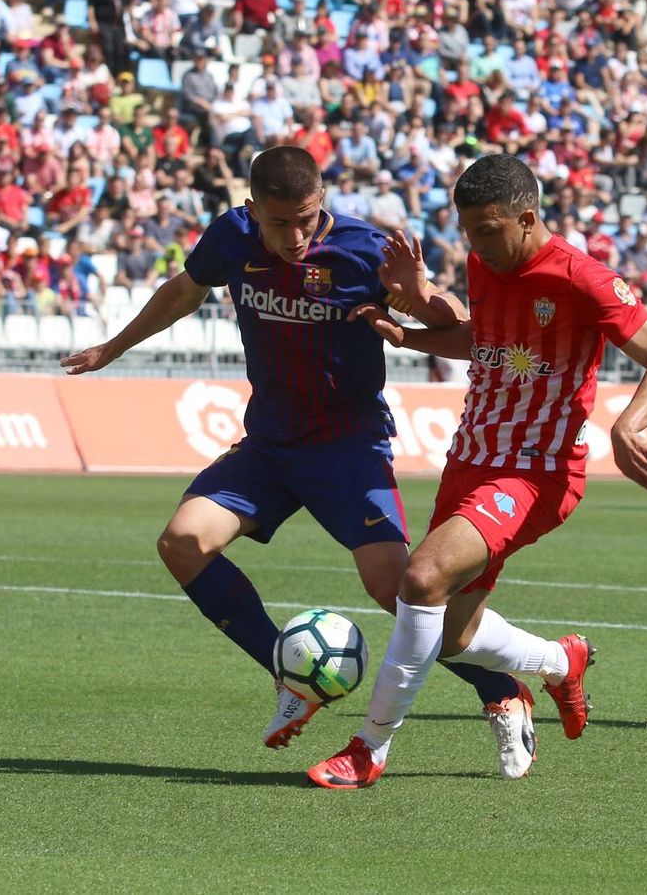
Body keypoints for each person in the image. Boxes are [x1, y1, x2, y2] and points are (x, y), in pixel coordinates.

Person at [58, 147, 533, 777]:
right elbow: (184, 291)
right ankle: (291, 679)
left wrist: (417, 297)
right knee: (182, 543)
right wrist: (115, 347)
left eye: (307, 219)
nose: (296, 236)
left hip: (348, 448)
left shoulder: (364, 250)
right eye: (280, 223)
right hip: (270, 447)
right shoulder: (231, 236)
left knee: (399, 592)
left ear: (322, 202)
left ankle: (502, 691)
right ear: (253, 210)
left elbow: (457, 324)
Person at [307, 153, 647, 789]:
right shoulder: (485, 262)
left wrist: (629, 425)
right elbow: (482, 340)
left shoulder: (584, 278)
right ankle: (559, 662)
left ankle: (369, 747)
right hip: (471, 459)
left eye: (487, 230)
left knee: (421, 578)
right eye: (468, 231)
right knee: (453, 635)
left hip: (537, 473)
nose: (476, 245)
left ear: (527, 218)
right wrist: (406, 333)